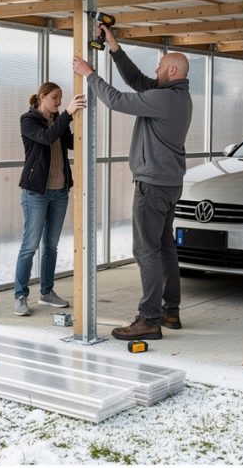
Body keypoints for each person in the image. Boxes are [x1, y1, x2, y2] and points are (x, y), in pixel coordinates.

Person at [72, 24, 192, 340]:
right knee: (164, 248)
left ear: (173, 70)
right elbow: (138, 81)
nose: (156, 71)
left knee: (146, 251)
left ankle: (149, 320)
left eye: (160, 67)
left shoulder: (165, 100)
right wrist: (114, 47)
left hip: (152, 186)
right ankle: (170, 311)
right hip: (168, 183)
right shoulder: (176, 96)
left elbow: (116, 100)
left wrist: (89, 75)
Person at [13, 82, 87, 316]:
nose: (58, 101)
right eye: (55, 97)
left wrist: (84, 123)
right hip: (36, 193)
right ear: (42, 96)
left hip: (59, 191)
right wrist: (67, 114)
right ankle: (20, 296)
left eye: (61, 98)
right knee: (30, 246)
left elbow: (69, 144)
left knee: (51, 245)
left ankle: (46, 292)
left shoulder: (58, 120)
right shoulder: (29, 120)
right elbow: (46, 138)